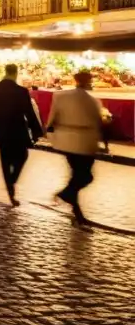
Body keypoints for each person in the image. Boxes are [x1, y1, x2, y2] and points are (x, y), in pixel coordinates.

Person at [47, 70, 109, 228]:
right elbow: (99, 123)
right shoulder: (93, 101)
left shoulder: (61, 96)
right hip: (86, 142)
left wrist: (49, 134)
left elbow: (52, 119)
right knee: (84, 176)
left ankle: (76, 211)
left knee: (78, 176)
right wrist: (103, 144)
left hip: (68, 141)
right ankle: (69, 199)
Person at [0, 64, 43, 206]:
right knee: (22, 155)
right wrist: (36, 131)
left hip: (0, 128)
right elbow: (29, 111)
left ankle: (9, 187)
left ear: (6, 72)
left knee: (5, 158)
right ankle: (12, 181)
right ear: (16, 73)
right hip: (17, 128)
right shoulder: (21, 91)